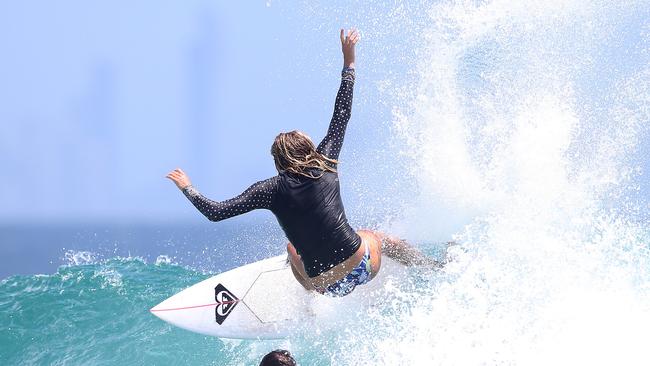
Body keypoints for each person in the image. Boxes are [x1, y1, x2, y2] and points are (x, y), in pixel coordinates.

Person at [167, 28, 438, 297]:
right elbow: (342, 113)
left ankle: (310, 303)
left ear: (279, 161)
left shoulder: (269, 190)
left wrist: (187, 187)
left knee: (291, 249)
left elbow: (216, 212)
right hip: (365, 266)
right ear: (308, 148)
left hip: (326, 286)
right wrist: (349, 63)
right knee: (378, 238)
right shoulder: (326, 162)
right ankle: (432, 266)